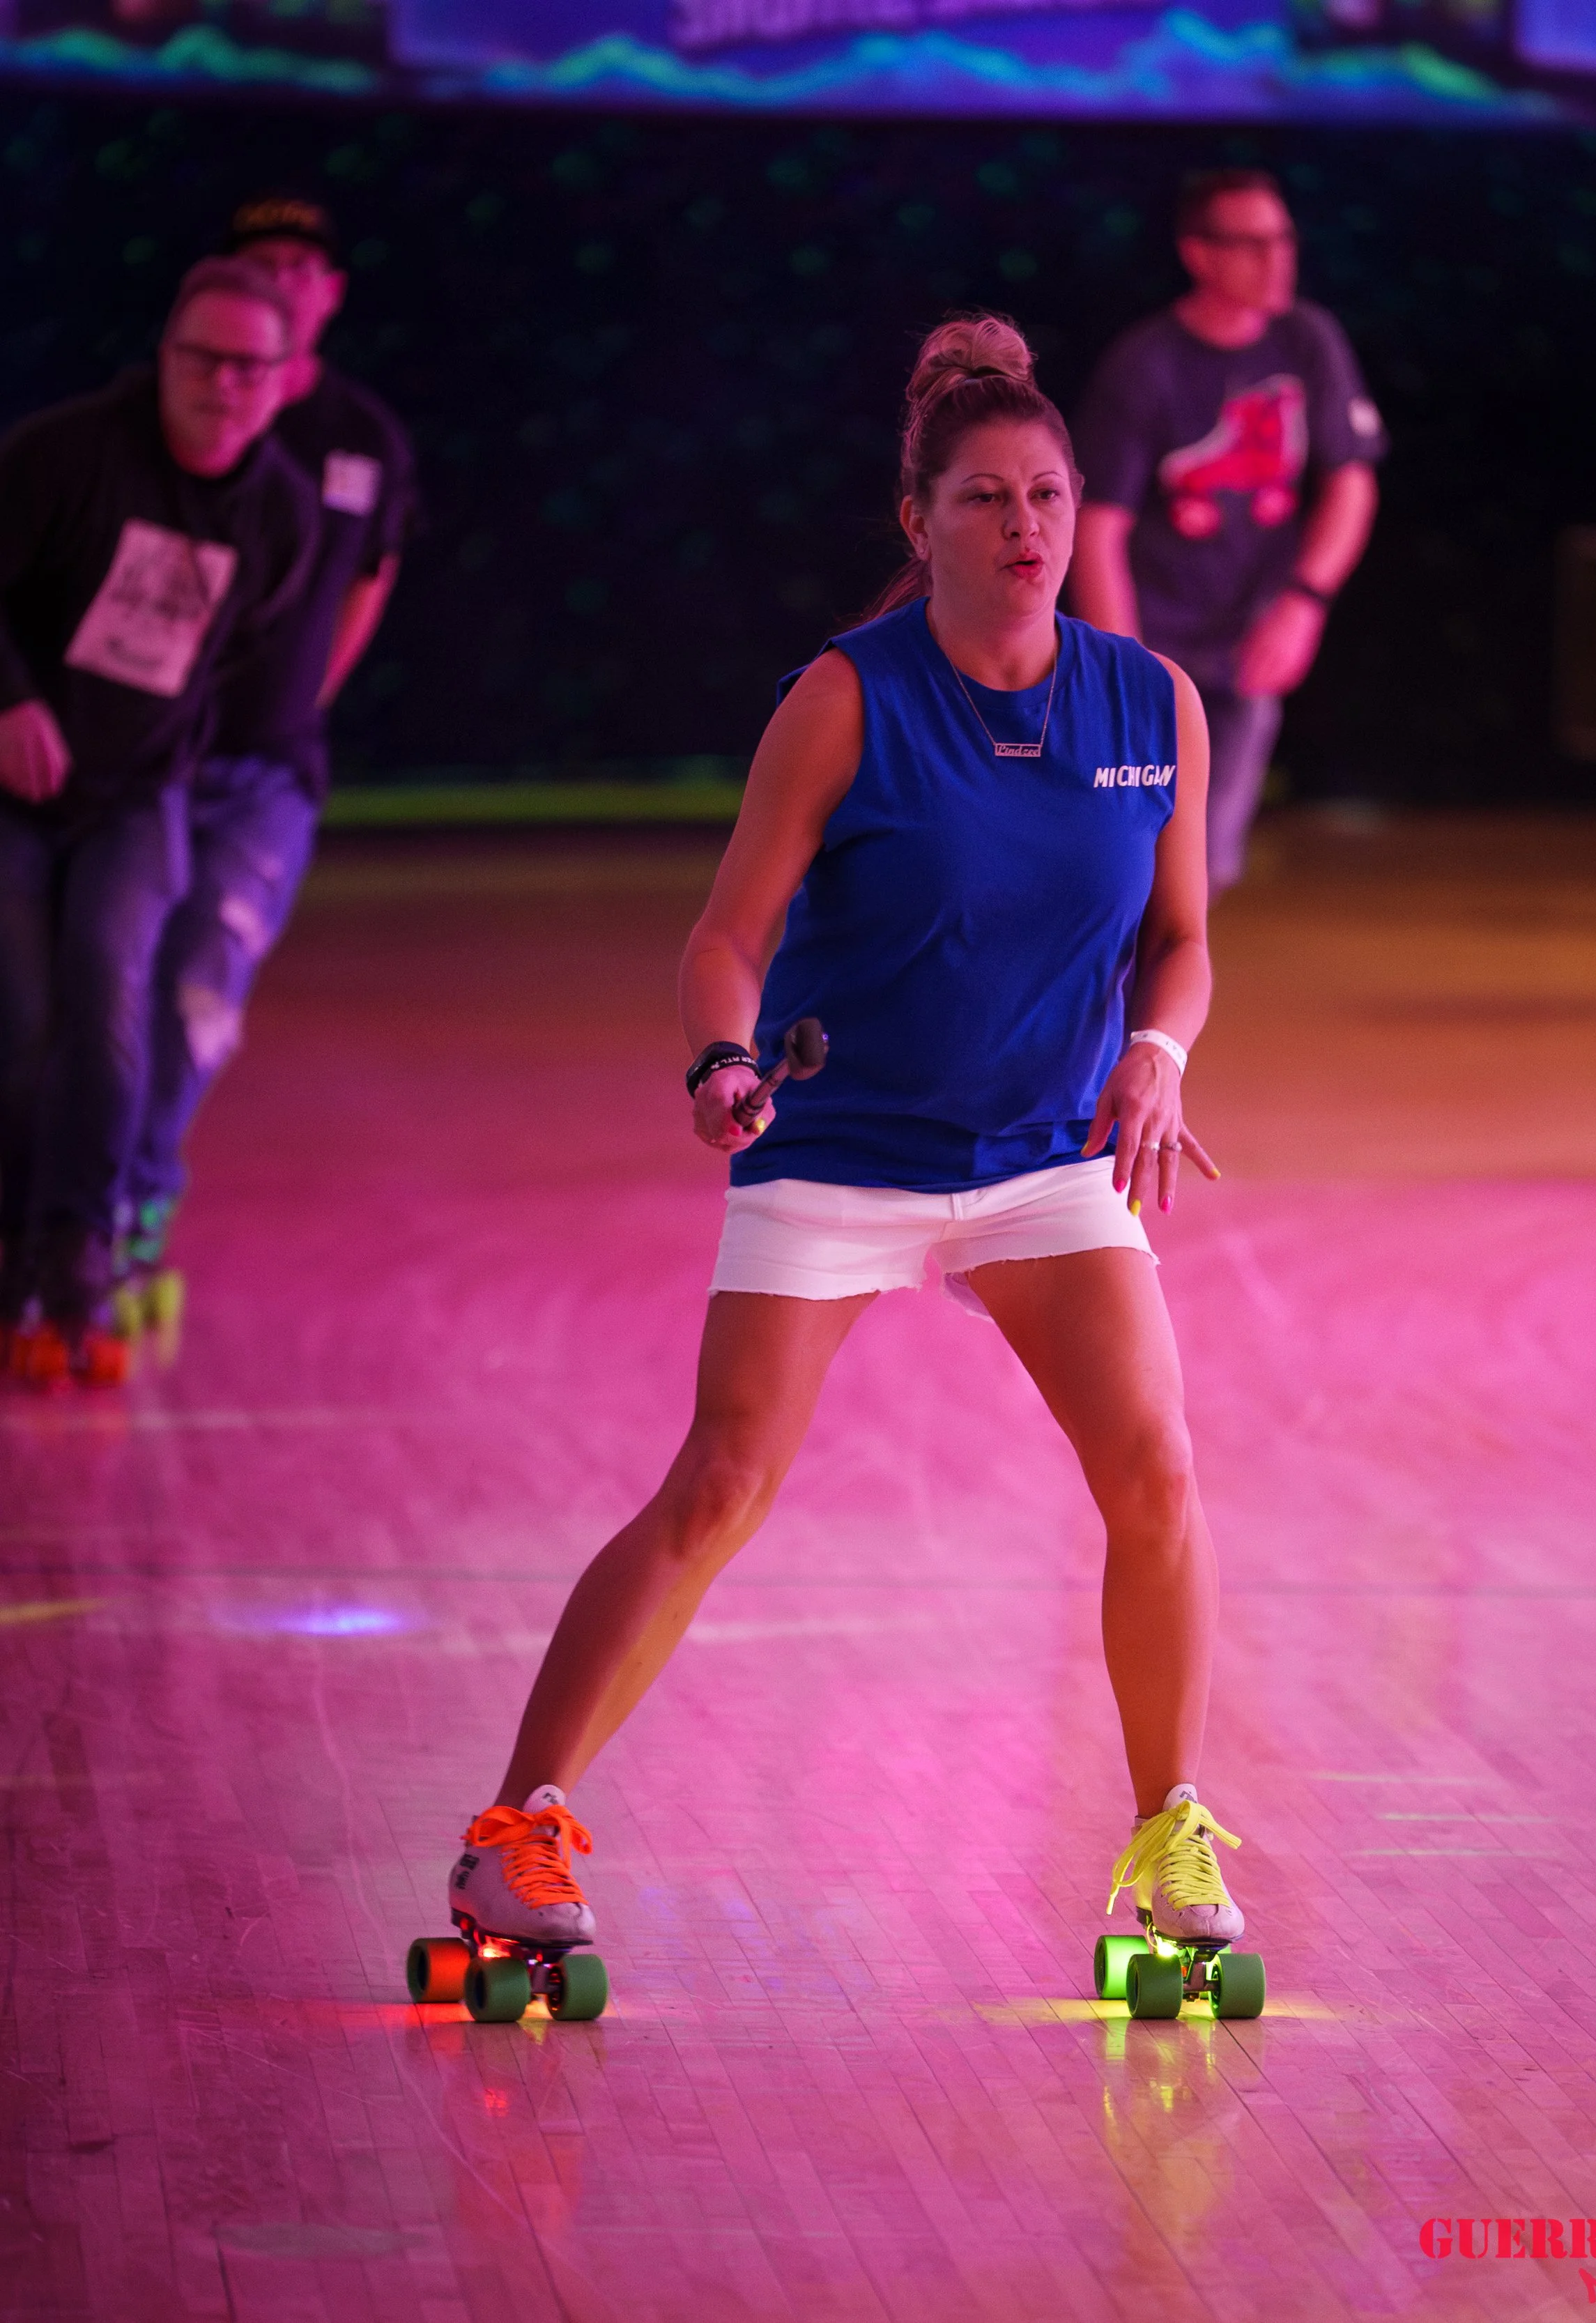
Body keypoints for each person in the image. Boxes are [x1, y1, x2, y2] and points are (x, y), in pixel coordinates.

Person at [439, 313, 1248, 1983]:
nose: (1025, 529)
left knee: (1158, 1475)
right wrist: (724, 1056)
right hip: (841, 1150)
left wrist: (1159, 1055)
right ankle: (516, 1831)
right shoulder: (845, 696)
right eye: (985, 501)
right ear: (920, 522)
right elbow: (726, 937)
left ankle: (1170, 1838)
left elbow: (1180, 937)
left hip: (1044, 1157)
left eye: (1048, 498)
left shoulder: (1149, 702)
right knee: (721, 1484)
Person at [0, 257, 318, 1379]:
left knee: (111, 995)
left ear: (284, 382)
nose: (224, 383)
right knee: (27, 1008)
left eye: (250, 367)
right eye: (205, 358)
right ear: (166, 357)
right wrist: (16, 699)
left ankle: (77, 1247)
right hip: (15, 788)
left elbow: (228, 651)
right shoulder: (62, 454)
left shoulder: (280, 508)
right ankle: (17, 1243)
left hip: (137, 794)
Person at [117, 193, 418, 1301]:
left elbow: (371, 577)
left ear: (330, 294)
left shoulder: (363, 441)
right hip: (139, 762)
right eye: (264, 262)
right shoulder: (170, 423)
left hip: (267, 773)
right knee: (100, 984)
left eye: (306, 265)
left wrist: (301, 700)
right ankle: (71, 1211)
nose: (287, 279)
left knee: (198, 986)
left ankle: (133, 1201)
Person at [1071, 168, 1386, 897]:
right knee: (1126, 862)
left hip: (1245, 646)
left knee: (1202, 873)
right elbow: (1098, 528)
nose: (1277, 261)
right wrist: (1127, 668)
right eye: (1251, 245)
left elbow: (1351, 480)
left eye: (1282, 240)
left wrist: (1303, 602)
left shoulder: (1307, 338)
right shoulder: (1145, 365)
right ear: (1199, 255)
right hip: (1157, 640)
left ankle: (1161, 1015)